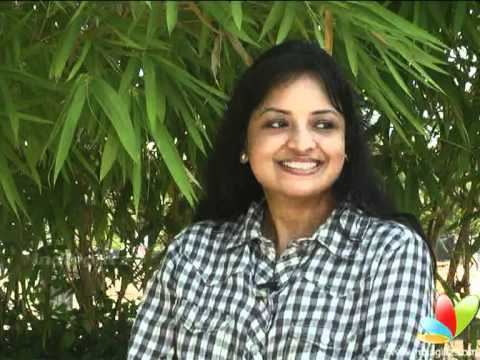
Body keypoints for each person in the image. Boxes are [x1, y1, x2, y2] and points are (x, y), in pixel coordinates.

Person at [127, 40, 435, 359]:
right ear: (245, 142)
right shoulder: (191, 255)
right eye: (277, 123)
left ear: (346, 145)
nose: (302, 143)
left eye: (323, 125)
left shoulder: (391, 253)